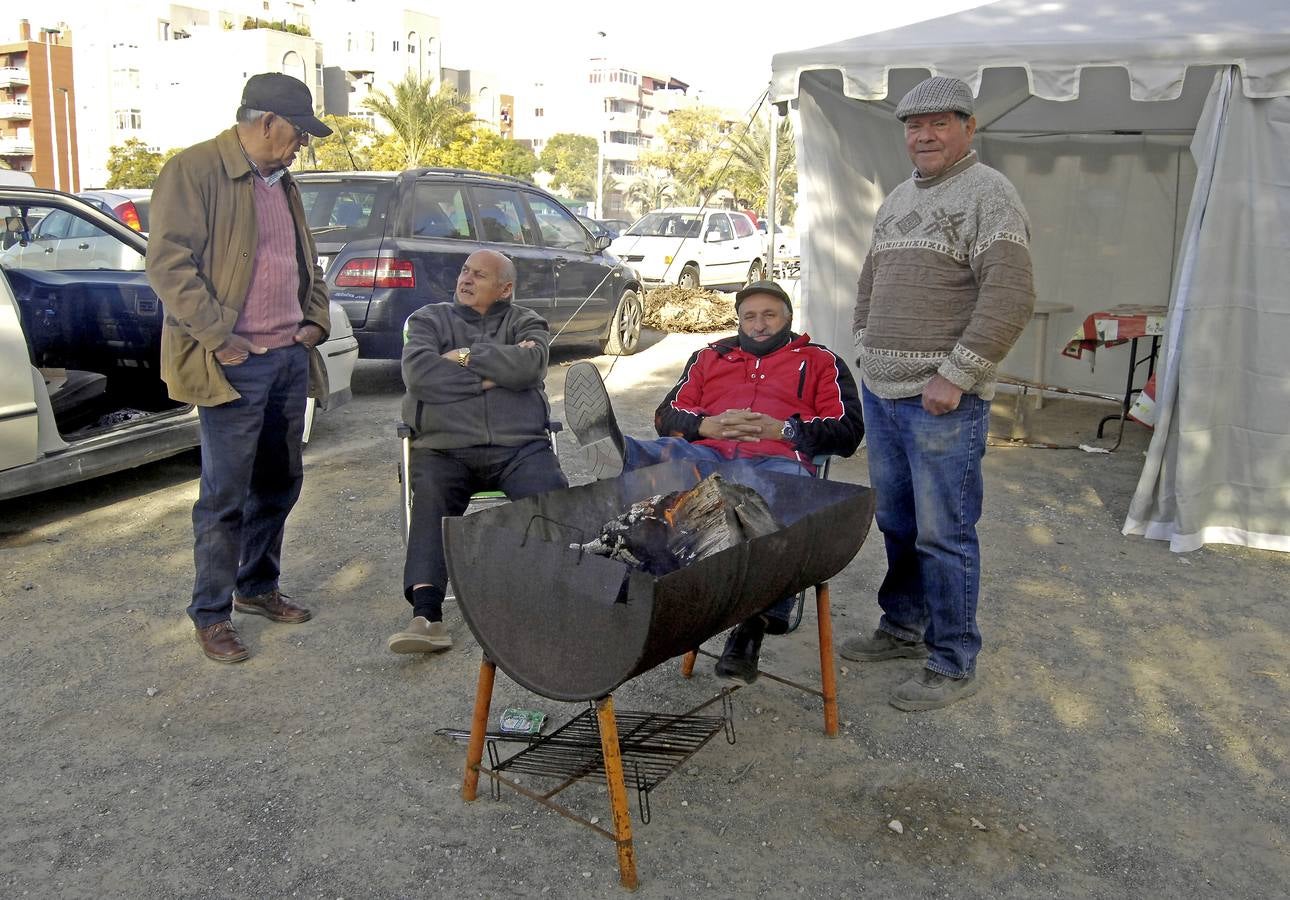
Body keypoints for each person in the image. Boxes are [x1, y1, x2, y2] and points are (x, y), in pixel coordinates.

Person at [842, 75, 1036, 711]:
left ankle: (953, 659)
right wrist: (866, 341)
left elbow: (1009, 296)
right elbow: (872, 277)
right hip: (884, 393)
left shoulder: (990, 195)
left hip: (941, 401)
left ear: (968, 128)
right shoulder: (898, 198)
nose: (923, 135)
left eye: (939, 123)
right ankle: (904, 627)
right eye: (912, 125)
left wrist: (955, 374)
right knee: (898, 522)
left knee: (944, 533)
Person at [566, 280, 864, 684]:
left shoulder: (818, 360)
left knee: (783, 504)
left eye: (769, 315)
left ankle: (752, 627)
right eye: (749, 316)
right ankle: (617, 456)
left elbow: (847, 431)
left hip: (776, 463)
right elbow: (665, 416)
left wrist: (785, 431)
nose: (758, 324)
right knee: (657, 453)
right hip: (708, 455)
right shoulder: (710, 356)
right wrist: (708, 424)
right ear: (739, 320)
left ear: (788, 318)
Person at [146, 72, 333, 663]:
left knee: (279, 484)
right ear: (267, 121)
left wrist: (314, 323)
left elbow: (309, 264)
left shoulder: (284, 183)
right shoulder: (194, 169)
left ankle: (256, 586)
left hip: (286, 358)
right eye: (298, 132)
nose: (302, 143)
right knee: (224, 495)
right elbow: (169, 265)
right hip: (235, 363)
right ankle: (210, 613)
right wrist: (217, 336)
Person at [388, 249, 568, 654]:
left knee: (553, 493)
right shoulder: (429, 320)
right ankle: (427, 617)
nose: (466, 280)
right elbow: (420, 375)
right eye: (465, 271)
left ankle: (560, 597)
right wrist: (494, 378)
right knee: (431, 497)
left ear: (505, 288)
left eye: (479, 275)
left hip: (519, 447)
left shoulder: (525, 320)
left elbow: (530, 367)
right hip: (445, 449)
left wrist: (464, 357)